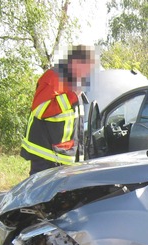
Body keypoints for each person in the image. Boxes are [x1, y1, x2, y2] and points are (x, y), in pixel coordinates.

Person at [21, 45, 95, 175]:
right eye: (88, 68)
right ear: (76, 62)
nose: (89, 72)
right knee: (44, 194)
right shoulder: (54, 77)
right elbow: (39, 110)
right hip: (47, 157)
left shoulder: (74, 82)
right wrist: (72, 96)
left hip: (63, 158)